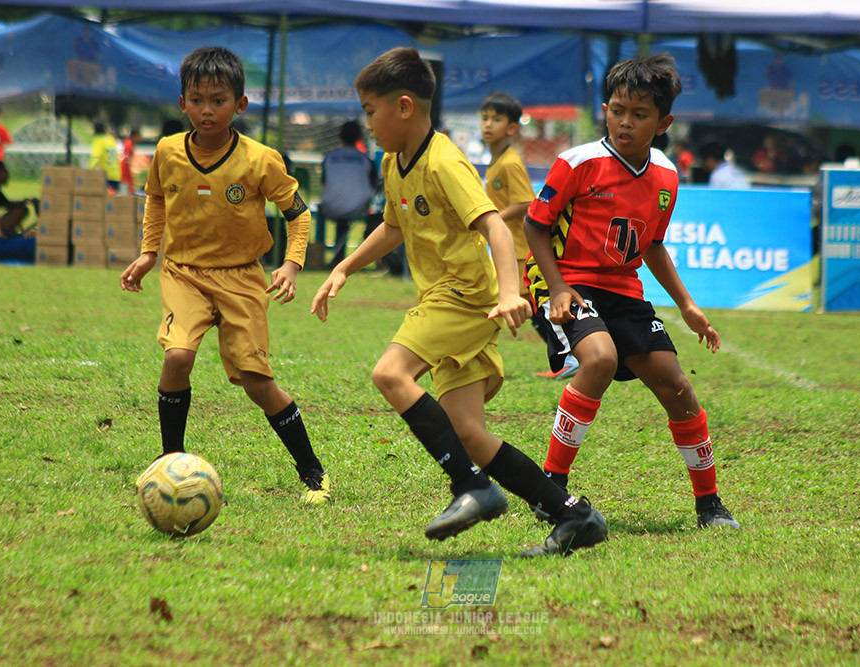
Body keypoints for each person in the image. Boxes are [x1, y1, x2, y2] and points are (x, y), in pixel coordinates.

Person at [310, 47, 607, 557]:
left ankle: (469, 488)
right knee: (469, 433)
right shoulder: (393, 162)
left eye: (369, 110)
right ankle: (573, 514)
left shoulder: (445, 160)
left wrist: (511, 292)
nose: (367, 122)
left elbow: (494, 222)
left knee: (389, 373)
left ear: (404, 107)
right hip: (446, 297)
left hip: (465, 296)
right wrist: (343, 267)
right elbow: (392, 225)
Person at [523, 53, 740, 530]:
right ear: (605, 108)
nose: (625, 122)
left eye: (639, 115)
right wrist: (556, 288)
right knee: (598, 360)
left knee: (678, 387)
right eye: (617, 110)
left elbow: (654, 244)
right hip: (573, 286)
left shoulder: (665, 176)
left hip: (627, 293)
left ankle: (709, 505)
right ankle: (550, 489)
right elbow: (534, 227)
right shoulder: (576, 163)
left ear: (664, 123)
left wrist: (687, 305)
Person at [119, 46, 331, 505]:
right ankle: (168, 465)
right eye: (196, 100)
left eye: (218, 100)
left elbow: (297, 212)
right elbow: (156, 200)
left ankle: (313, 473)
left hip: (242, 278)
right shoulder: (167, 151)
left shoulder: (260, 160)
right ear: (182, 104)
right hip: (184, 273)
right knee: (177, 357)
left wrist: (292, 264)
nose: (206, 110)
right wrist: (148, 253)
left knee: (258, 382)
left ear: (240, 105)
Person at [478, 91, 576, 379]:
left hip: (519, 249)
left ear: (511, 128)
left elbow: (525, 202)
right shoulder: (497, 161)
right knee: (529, 307)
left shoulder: (509, 163)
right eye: (484, 118)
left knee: (533, 305)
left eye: (496, 119)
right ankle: (567, 356)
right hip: (507, 248)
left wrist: (492, 219)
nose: (487, 124)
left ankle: (571, 354)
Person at [318, 120, 378, 267]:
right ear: (359, 137)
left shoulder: (330, 157)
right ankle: (366, 259)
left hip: (329, 207)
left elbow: (324, 182)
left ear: (340, 136)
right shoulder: (366, 160)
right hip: (358, 208)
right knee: (375, 215)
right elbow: (374, 185)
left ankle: (321, 257)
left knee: (340, 214)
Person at [89, 121, 120, 194]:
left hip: (107, 176)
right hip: (116, 175)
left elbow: (95, 158)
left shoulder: (99, 140)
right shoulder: (110, 139)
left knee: (106, 202)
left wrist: (89, 173)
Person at [120, 127, 141, 195]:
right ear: (134, 136)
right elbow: (126, 160)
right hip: (125, 170)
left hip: (126, 169)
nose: (140, 138)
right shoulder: (129, 145)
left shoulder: (129, 143)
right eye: (138, 136)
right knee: (127, 189)